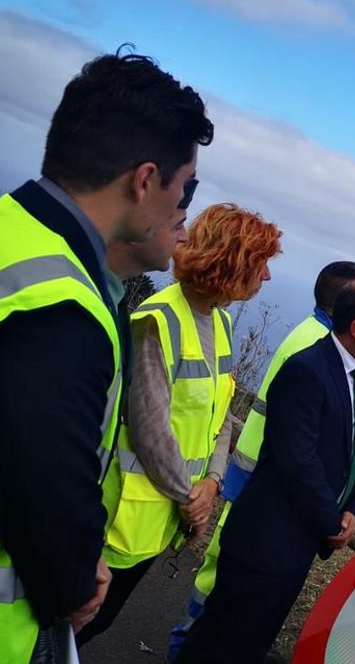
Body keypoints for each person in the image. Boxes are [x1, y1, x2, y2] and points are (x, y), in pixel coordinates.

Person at [0, 49, 212, 663]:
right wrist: (81, 576)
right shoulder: (57, 310)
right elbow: (57, 540)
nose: (185, 209)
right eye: (185, 187)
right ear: (145, 181)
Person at [77, 204, 282, 647]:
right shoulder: (158, 319)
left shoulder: (221, 323)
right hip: (121, 519)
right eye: (261, 263)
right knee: (73, 627)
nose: (266, 277)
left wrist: (212, 482)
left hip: (163, 516)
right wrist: (193, 497)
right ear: (234, 259)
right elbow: (149, 428)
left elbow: (221, 414)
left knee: (97, 624)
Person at [177, 279, 355, 663]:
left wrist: (354, 510)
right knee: (218, 645)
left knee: (251, 644)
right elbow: (296, 461)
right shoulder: (306, 371)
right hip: (264, 542)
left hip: (298, 546)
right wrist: (332, 521)